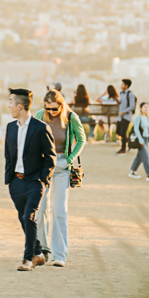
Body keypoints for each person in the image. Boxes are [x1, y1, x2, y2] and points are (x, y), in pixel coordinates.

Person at [4, 88, 56, 271]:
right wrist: (9, 180)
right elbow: (8, 156)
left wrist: (43, 180)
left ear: (20, 106)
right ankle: (39, 252)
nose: (8, 105)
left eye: (11, 102)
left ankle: (28, 259)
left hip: (35, 182)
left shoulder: (41, 128)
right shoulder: (10, 127)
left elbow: (51, 157)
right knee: (23, 218)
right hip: (16, 183)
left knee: (29, 217)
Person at [33, 89, 86, 267]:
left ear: (61, 105)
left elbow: (81, 139)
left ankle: (59, 255)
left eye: (54, 109)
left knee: (59, 210)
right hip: (43, 165)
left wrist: (70, 159)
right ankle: (42, 250)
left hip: (63, 165)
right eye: (48, 109)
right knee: (40, 210)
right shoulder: (40, 115)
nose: (51, 112)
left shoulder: (71, 117)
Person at [128, 103, 149, 180]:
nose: (146, 108)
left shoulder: (146, 117)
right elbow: (136, 129)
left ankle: (132, 171)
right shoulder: (138, 117)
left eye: (147, 107)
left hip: (146, 139)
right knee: (145, 157)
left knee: (139, 156)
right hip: (141, 139)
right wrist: (140, 140)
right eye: (145, 107)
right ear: (141, 108)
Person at [116, 79, 137, 155]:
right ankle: (128, 140)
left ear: (126, 86)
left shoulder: (130, 94)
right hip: (120, 117)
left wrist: (124, 111)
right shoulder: (121, 93)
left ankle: (123, 149)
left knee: (123, 132)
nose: (121, 85)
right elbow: (121, 102)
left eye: (122, 84)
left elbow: (132, 106)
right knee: (118, 131)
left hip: (126, 116)